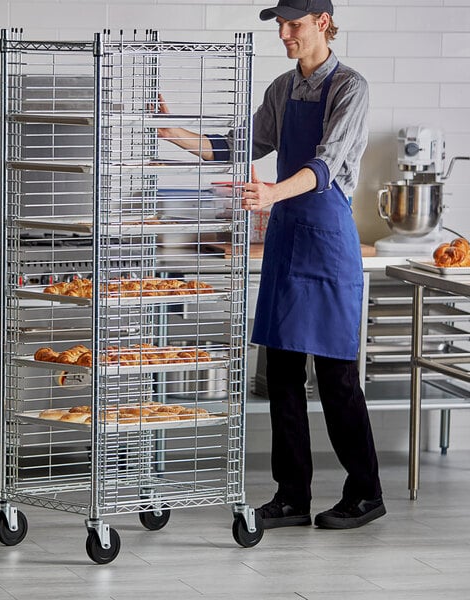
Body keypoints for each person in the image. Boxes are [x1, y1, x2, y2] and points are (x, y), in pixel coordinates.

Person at [157, 0, 385, 530]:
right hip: (287, 241)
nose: (284, 33)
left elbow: (326, 164)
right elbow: (239, 144)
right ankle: (292, 495)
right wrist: (176, 135)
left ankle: (366, 491)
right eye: (280, 24)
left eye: (294, 24)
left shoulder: (351, 87)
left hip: (328, 244)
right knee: (281, 376)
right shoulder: (282, 90)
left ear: (323, 23)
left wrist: (271, 193)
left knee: (335, 378)